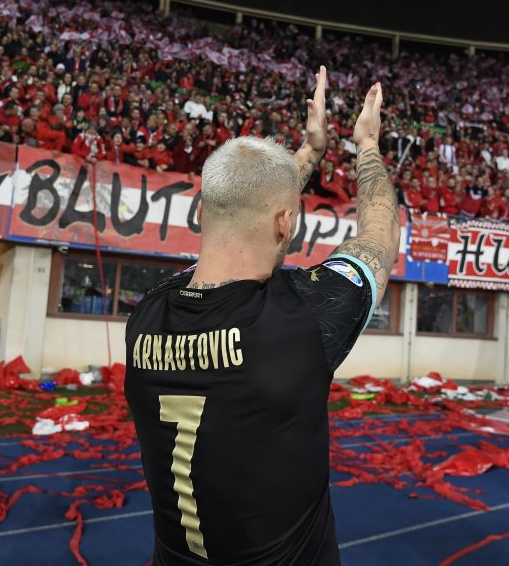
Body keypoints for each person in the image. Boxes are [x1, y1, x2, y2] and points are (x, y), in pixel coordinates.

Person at [126, 69, 399, 565]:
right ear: (286, 223)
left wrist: (309, 151)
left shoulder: (146, 313)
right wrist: (366, 146)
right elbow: (378, 237)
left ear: (201, 212)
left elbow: (242, 206)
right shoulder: (299, 322)